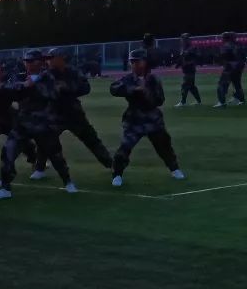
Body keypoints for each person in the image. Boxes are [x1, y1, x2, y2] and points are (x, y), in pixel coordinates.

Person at [0, 50, 77, 200]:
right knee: (8, 152)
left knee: (56, 156)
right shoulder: (19, 76)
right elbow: (5, 89)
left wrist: (31, 86)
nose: (29, 64)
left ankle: (68, 182)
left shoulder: (49, 77)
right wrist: (24, 85)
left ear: (41, 62)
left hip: (44, 124)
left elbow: (53, 93)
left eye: (32, 61)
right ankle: (5, 188)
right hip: (22, 124)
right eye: (26, 61)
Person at [109, 50, 186, 187]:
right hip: (134, 120)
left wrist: (146, 93)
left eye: (137, 61)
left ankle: (174, 169)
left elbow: (160, 100)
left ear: (144, 62)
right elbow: (114, 89)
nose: (134, 64)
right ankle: (117, 175)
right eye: (132, 62)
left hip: (153, 120)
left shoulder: (153, 79)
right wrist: (133, 90)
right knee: (125, 148)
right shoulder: (128, 79)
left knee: (164, 146)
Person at [32, 47, 113, 176]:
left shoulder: (73, 72)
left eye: (51, 58)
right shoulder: (46, 74)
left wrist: (67, 87)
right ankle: (39, 168)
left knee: (91, 139)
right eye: (48, 59)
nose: (49, 61)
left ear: (61, 58)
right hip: (54, 114)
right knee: (45, 140)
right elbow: (38, 90)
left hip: (74, 114)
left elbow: (85, 88)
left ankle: (110, 164)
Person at [214, 32, 245, 108]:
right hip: (238, 67)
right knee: (237, 84)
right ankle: (241, 100)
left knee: (222, 85)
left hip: (230, 67)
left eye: (222, 38)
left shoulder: (225, 46)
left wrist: (219, 61)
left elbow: (223, 57)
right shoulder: (237, 45)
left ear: (225, 38)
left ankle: (222, 102)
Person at [175, 34, 202, 107]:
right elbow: (182, 58)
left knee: (185, 85)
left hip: (190, 69)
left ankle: (183, 102)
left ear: (186, 40)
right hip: (186, 69)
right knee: (191, 86)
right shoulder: (183, 48)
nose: (182, 41)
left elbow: (197, 57)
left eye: (183, 39)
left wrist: (190, 62)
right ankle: (198, 101)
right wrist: (177, 65)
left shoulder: (192, 48)